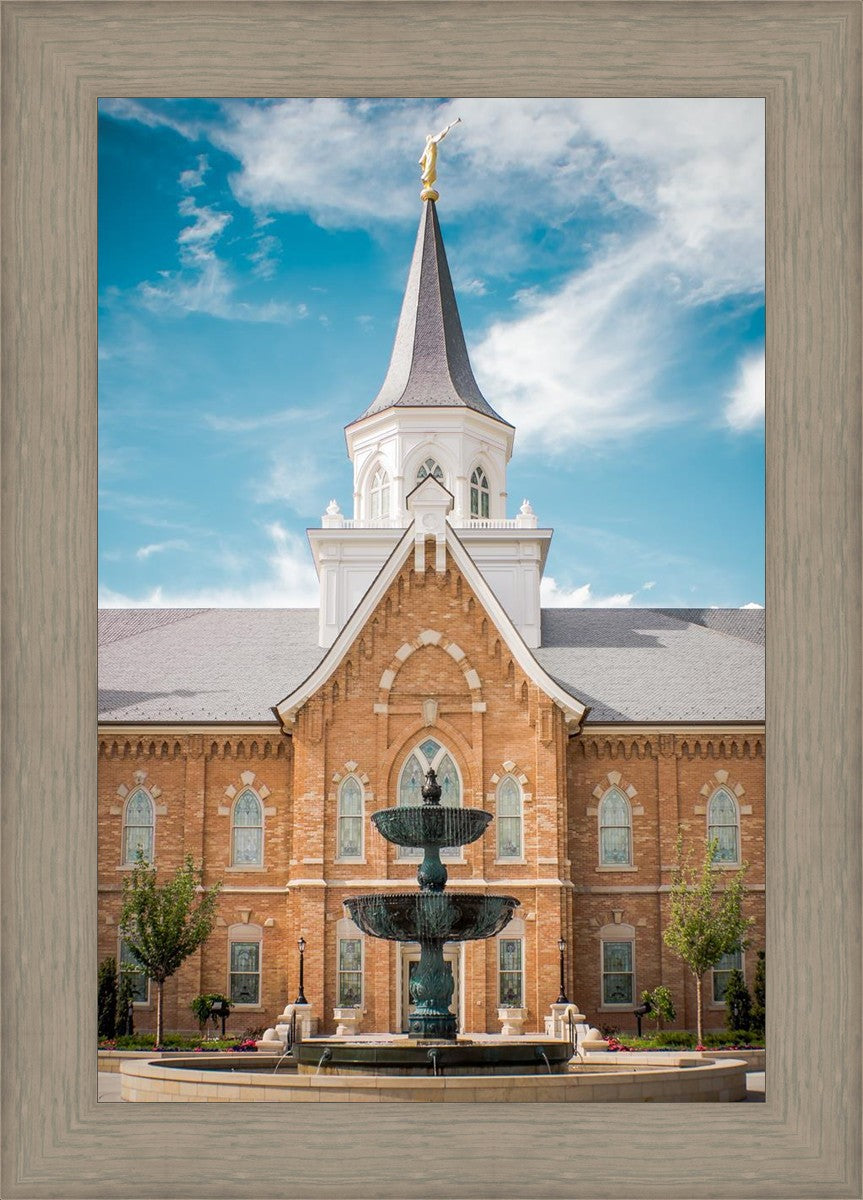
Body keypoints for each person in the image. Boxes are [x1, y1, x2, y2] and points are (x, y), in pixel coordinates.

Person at [419, 118, 461, 191]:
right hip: (431, 159)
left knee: (433, 173)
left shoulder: (426, 147)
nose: (432, 137)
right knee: (430, 171)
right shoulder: (431, 141)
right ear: (430, 138)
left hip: (431, 159)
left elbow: (421, 160)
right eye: (431, 136)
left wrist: (422, 163)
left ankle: (428, 183)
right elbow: (441, 135)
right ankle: (425, 178)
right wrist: (447, 128)